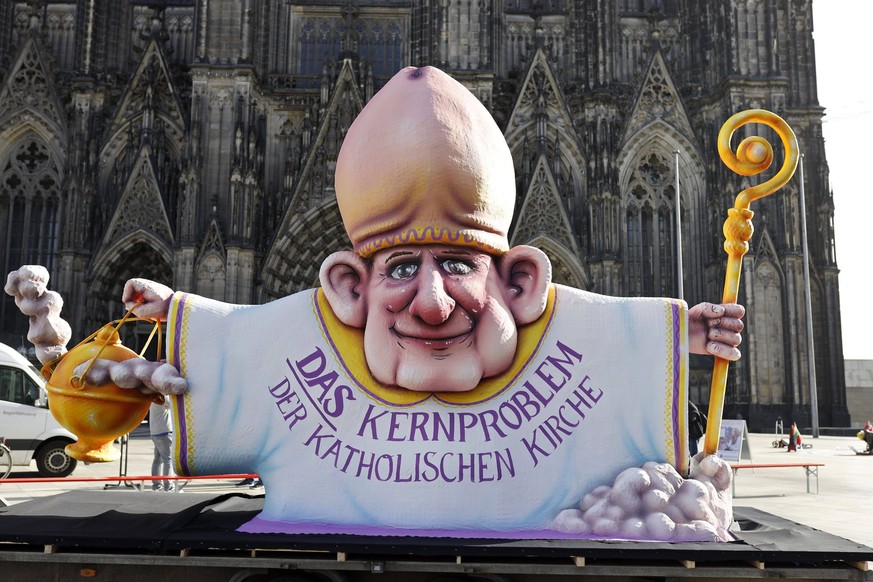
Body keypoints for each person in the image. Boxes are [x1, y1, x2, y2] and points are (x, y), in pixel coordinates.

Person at [7, 67, 745, 540]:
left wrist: (676, 332)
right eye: (400, 270)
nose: (429, 303)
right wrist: (182, 316)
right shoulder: (317, 324)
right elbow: (268, 336)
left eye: (459, 264)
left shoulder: (530, 310)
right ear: (347, 287)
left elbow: (581, 326)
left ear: (517, 281)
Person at [149, 398, 175, 492]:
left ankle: (156, 486)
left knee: (157, 460)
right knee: (168, 459)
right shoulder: (162, 397)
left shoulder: (153, 398)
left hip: (155, 432)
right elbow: (174, 405)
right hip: (164, 431)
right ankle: (168, 487)